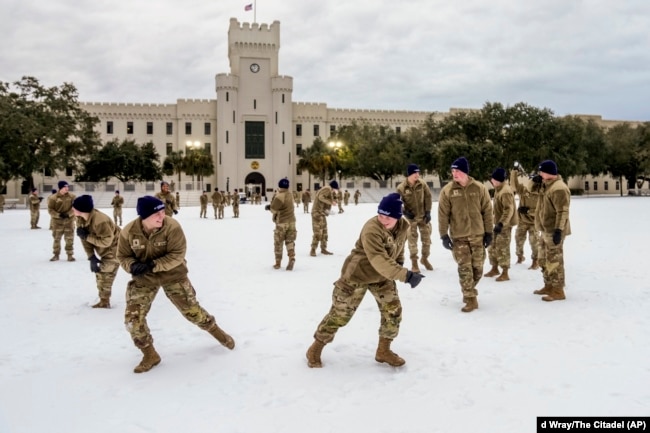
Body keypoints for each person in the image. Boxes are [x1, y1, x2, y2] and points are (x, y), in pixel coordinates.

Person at [117, 196, 235, 373]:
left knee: (192, 312)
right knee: (132, 320)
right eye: (156, 214)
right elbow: (123, 256)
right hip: (145, 279)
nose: (161, 216)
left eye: (163, 211)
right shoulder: (129, 231)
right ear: (144, 216)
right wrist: (132, 266)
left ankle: (217, 332)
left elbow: (177, 255)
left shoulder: (172, 227)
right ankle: (150, 354)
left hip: (173, 275)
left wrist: (152, 265)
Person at [306, 193, 424, 368]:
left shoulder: (402, 227)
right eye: (380, 215)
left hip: (382, 276)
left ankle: (383, 350)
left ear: (398, 217)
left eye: (388, 217)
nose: (383, 220)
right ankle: (315, 348)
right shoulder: (372, 228)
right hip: (357, 274)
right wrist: (404, 275)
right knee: (340, 315)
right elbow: (378, 259)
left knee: (393, 311)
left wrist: (398, 265)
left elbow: (398, 249)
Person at [438, 157, 493, 313]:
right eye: (453, 171)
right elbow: (443, 215)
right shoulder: (447, 191)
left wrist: (489, 232)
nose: (454, 174)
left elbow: (488, 212)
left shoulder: (479, 188)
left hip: (478, 235)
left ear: (466, 172)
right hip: (459, 237)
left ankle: (468, 289)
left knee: (478, 268)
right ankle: (470, 298)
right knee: (465, 268)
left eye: (458, 171)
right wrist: (443, 235)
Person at [73, 195, 120, 308]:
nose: (72, 209)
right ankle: (104, 300)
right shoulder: (80, 219)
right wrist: (91, 256)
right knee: (103, 274)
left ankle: (104, 302)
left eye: (74, 207)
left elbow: (106, 242)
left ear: (81, 209)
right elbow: (84, 239)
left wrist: (87, 236)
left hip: (116, 249)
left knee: (104, 274)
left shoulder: (100, 221)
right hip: (106, 249)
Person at [533, 160, 571, 302]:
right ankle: (548, 285)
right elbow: (530, 190)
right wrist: (537, 182)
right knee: (543, 259)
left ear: (549, 173)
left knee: (554, 261)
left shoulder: (559, 188)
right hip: (544, 230)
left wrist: (558, 230)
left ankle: (558, 290)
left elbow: (562, 211)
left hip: (553, 230)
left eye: (541, 171)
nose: (540, 174)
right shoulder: (547, 185)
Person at [396, 163, 433, 272]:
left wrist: (428, 212)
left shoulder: (422, 184)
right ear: (409, 174)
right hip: (410, 219)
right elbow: (398, 203)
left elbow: (428, 197)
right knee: (412, 241)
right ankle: (414, 263)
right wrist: (405, 212)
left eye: (418, 172)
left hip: (423, 217)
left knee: (427, 240)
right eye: (415, 173)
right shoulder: (401, 187)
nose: (417, 175)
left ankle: (424, 259)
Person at [483, 168, 518, 282]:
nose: (491, 181)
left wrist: (502, 224)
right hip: (497, 223)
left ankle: (505, 272)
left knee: (502, 247)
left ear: (498, 179)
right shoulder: (499, 189)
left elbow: (509, 210)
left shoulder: (506, 191)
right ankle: (494, 268)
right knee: (492, 246)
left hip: (504, 225)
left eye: (493, 179)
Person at [510, 166, 542, 269]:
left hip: (534, 222)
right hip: (522, 221)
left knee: (534, 241)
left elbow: (541, 211)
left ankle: (535, 261)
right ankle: (520, 257)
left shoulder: (542, 194)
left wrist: (528, 211)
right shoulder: (524, 191)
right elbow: (514, 185)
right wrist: (514, 172)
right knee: (518, 239)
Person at [268, 178, 297, 270]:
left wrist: (269, 206)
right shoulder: (290, 194)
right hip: (292, 221)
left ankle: (278, 263)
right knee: (290, 241)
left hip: (282, 222)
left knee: (278, 243)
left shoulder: (279, 196)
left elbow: (273, 210)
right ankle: (291, 257)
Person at [48, 180, 76, 262]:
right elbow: (50, 210)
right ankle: (56, 255)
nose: (67, 188)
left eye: (67, 187)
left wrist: (69, 214)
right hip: (57, 223)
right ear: (60, 188)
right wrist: (58, 215)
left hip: (69, 221)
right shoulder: (53, 198)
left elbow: (76, 207)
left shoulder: (72, 196)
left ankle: (70, 255)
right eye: (65, 187)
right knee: (56, 239)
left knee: (69, 239)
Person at [310, 180, 338, 256]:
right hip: (317, 213)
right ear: (334, 187)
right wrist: (331, 202)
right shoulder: (327, 189)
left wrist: (328, 212)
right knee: (318, 232)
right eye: (336, 189)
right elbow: (321, 197)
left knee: (325, 232)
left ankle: (323, 248)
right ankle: (313, 249)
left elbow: (324, 204)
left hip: (322, 213)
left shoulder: (329, 191)